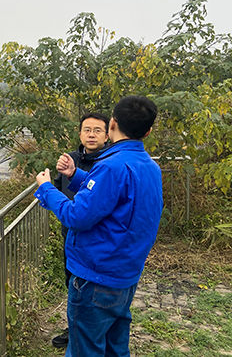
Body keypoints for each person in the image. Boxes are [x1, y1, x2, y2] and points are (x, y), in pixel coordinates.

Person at [35, 95, 163, 357]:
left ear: (112, 124)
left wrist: (46, 188)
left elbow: (76, 216)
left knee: (85, 348)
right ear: (148, 131)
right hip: (125, 273)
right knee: (115, 347)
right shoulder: (150, 166)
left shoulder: (111, 166)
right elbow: (116, 198)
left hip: (97, 276)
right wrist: (76, 175)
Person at [51, 112, 110, 349]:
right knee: (72, 284)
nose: (92, 134)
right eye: (87, 130)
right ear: (80, 133)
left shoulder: (109, 164)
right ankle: (74, 329)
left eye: (97, 130)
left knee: (95, 290)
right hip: (71, 235)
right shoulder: (70, 159)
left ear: (107, 135)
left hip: (97, 240)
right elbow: (57, 188)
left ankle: (94, 335)